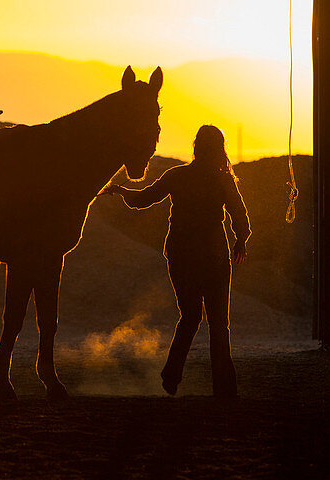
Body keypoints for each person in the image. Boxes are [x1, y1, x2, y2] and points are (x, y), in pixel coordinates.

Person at [103, 124, 250, 398]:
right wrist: (241, 240)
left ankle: (171, 375)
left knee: (190, 317)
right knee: (219, 324)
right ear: (220, 149)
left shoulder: (178, 176)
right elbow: (238, 214)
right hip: (215, 255)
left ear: (196, 146)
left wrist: (121, 191)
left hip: (182, 255)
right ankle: (224, 389)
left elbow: (144, 199)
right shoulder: (223, 179)